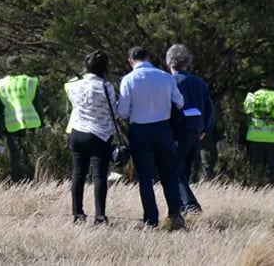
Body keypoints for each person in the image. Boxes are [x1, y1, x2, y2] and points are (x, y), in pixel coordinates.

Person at [117, 46, 185, 230]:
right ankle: (175, 215)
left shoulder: (128, 80)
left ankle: (151, 219)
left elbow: (122, 112)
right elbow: (180, 102)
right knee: (169, 173)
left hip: (139, 130)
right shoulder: (165, 76)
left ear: (131, 61)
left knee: (145, 176)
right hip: (163, 128)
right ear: (148, 57)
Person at [64, 50, 116, 225]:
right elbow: (114, 112)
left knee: (78, 174)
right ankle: (100, 216)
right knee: (99, 176)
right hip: (99, 134)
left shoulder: (73, 85)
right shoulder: (106, 86)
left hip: (78, 131)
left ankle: (77, 214)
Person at [166, 44, 213, 214]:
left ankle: (191, 205)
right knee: (184, 173)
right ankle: (181, 208)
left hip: (178, 131)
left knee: (174, 172)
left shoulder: (170, 81)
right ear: (188, 63)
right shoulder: (199, 82)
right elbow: (209, 107)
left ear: (169, 63)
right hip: (196, 130)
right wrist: (205, 129)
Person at [0, 73, 42, 182]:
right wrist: (41, 123)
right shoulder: (30, 82)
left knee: (14, 155)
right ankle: (31, 180)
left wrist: (0, 128)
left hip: (11, 124)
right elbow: (38, 104)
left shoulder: (2, 84)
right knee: (29, 153)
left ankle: (17, 181)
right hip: (30, 124)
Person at [239, 75, 274, 187]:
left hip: (255, 138)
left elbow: (245, 119)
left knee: (257, 167)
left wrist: (241, 140)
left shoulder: (253, 97)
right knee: (273, 168)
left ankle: (256, 188)